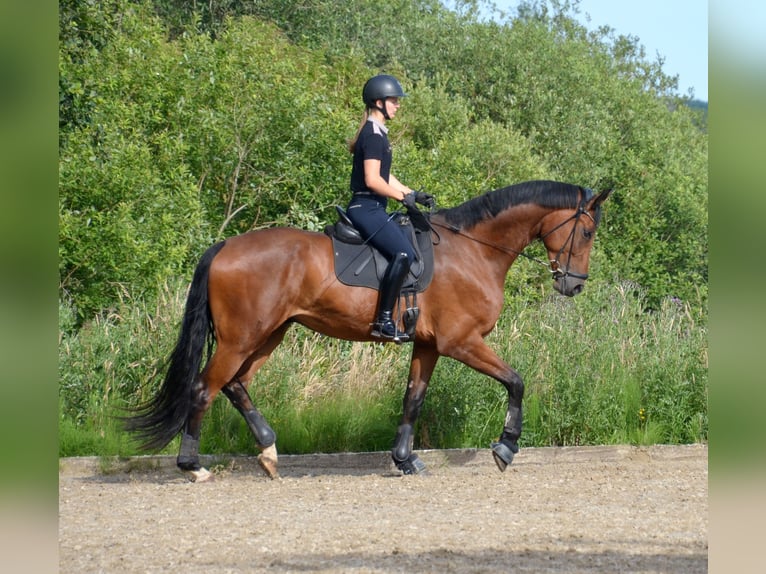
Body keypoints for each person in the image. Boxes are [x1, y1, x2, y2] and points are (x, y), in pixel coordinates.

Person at [346, 74, 434, 342]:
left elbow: (384, 175)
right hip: (366, 207)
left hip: (374, 206)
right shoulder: (373, 134)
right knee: (404, 253)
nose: (398, 105)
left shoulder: (378, 132)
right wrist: (399, 197)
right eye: (394, 100)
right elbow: (373, 180)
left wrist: (412, 193)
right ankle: (383, 320)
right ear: (379, 102)